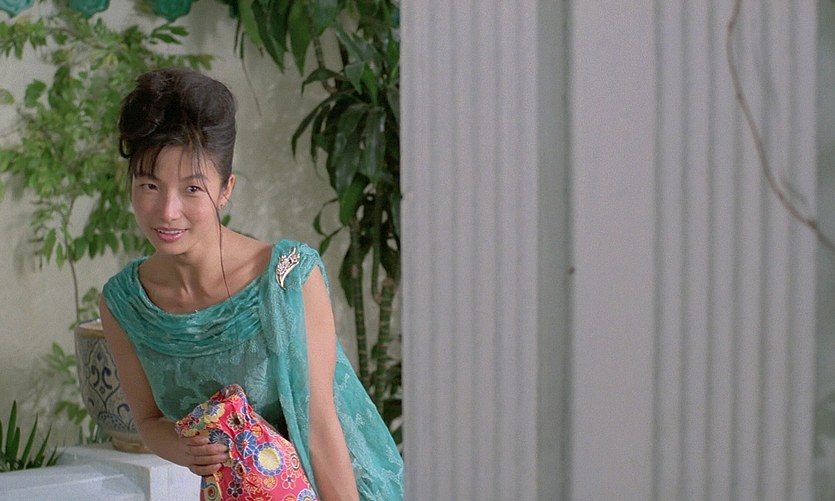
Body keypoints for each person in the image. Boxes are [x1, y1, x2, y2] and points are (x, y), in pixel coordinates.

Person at [99, 68, 404, 500]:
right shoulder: (125, 304)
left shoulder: (288, 279)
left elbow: (321, 430)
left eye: (192, 188)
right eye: (149, 185)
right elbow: (149, 422)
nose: (167, 211)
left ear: (226, 190)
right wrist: (185, 448)